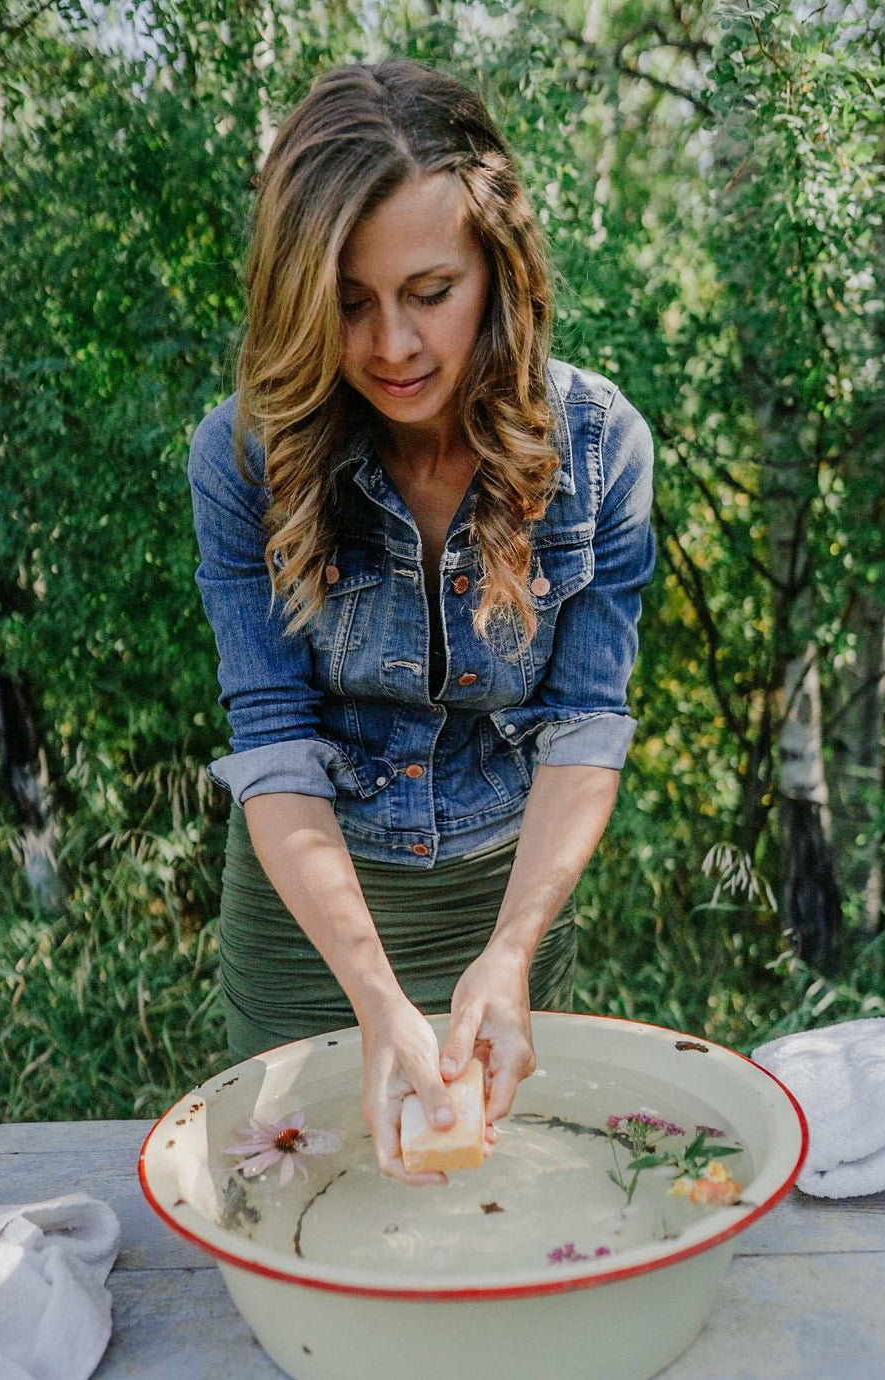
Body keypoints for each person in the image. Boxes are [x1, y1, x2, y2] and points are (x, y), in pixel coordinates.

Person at [187, 57, 656, 1187]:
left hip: (510, 900)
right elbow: (275, 744)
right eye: (348, 302)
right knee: (300, 1206)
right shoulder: (240, 456)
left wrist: (510, 952)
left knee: (508, 1210)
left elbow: (584, 725)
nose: (390, 345)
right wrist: (372, 991)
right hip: (310, 931)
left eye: (429, 292)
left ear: (498, 271)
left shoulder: (601, 445)